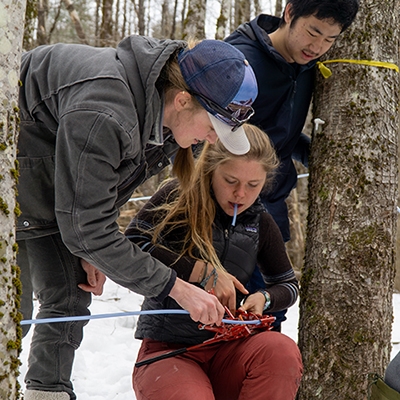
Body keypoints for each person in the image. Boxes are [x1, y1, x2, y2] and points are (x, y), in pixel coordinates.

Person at [17, 36, 259, 400]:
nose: (211, 139)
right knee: (10, 307)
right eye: (212, 128)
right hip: (16, 180)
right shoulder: (105, 111)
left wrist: (91, 246)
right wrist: (178, 289)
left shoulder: (163, 116)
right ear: (183, 100)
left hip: (49, 188)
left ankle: (47, 394)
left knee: (69, 297)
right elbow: (86, 228)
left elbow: (104, 184)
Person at [125, 124, 302, 400]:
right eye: (231, 181)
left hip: (230, 352)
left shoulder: (260, 222)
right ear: (211, 168)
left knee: (281, 351)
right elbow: (132, 244)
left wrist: (265, 299)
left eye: (253, 185)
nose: (240, 194)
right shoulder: (178, 195)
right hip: (170, 351)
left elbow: (288, 285)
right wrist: (201, 272)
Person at [224, 0, 359, 328]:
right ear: (289, 13)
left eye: (330, 39)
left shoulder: (305, 66)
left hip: (272, 212)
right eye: (313, 32)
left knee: (269, 317)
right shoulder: (240, 62)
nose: (318, 47)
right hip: (227, 213)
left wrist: (322, 157)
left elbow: (278, 134)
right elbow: (204, 141)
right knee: (225, 319)